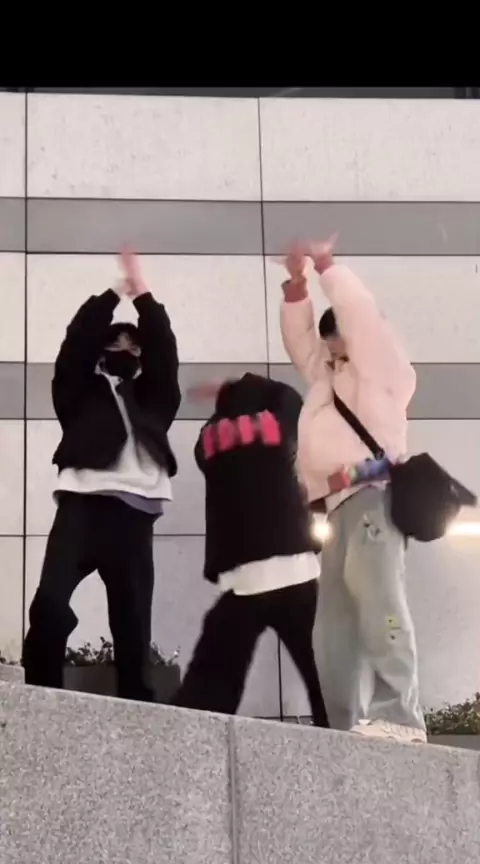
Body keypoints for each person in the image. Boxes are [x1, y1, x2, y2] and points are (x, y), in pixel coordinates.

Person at [279, 235, 426, 744]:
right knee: (332, 631)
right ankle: (344, 728)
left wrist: (326, 267)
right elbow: (302, 346)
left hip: (373, 499)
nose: (331, 352)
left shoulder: (383, 369)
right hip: (339, 508)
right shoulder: (333, 377)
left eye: (338, 342)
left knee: (382, 605)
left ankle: (400, 716)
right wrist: (297, 286)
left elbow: (361, 318)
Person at [22, 250, 181, 702]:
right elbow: (75, 345)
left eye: (135, 348)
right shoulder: (78, 393)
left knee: (133, 633)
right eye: (117, 346)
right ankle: (41, 700)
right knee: (50, 605)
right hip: (82, 508)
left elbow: (165, 355)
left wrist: (143, 295)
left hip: (136, 517)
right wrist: (114, 293)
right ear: (101, 353)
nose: (127, 352)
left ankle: (138, 719)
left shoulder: (153, 399)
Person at [172, 372, 329, 727]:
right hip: (294, 569)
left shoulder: (210, 439)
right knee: (323, 680)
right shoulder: (280, 424)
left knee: (210, 686)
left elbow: (203, 455)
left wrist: (227, 396)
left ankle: (191, 737)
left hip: (245, 580)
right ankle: (341, 737)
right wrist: (241, 385)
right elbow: (291, 398)